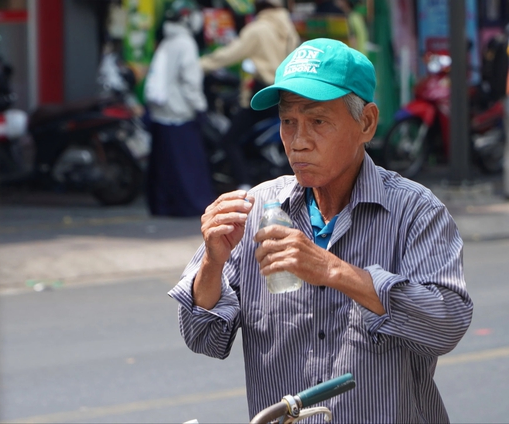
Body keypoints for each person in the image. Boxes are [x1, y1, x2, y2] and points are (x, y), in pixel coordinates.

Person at [168, 38, 473, 422]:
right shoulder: (258, 208)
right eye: (287, 122)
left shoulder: (415, 211)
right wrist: (213, 261)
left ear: (366, 123)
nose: (298, 142)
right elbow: (202, 336)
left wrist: (334, 271)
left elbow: (447, 324)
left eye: (317, 122)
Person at [199, 0, 299, 191]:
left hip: (262, 94)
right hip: (284, 94)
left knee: (229, 140)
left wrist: (200, 65)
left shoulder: (257, 29)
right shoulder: (288, 29)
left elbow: (229, 54)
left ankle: (244, 183)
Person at [143, 0, 214, 217]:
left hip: (161, 114)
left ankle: (165, 207)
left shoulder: (167, 42)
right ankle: (191, 206)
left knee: (165, 169)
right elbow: (190, 82)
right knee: (187, 168)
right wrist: (200, 108)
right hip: (179, 114)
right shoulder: (185, 44)